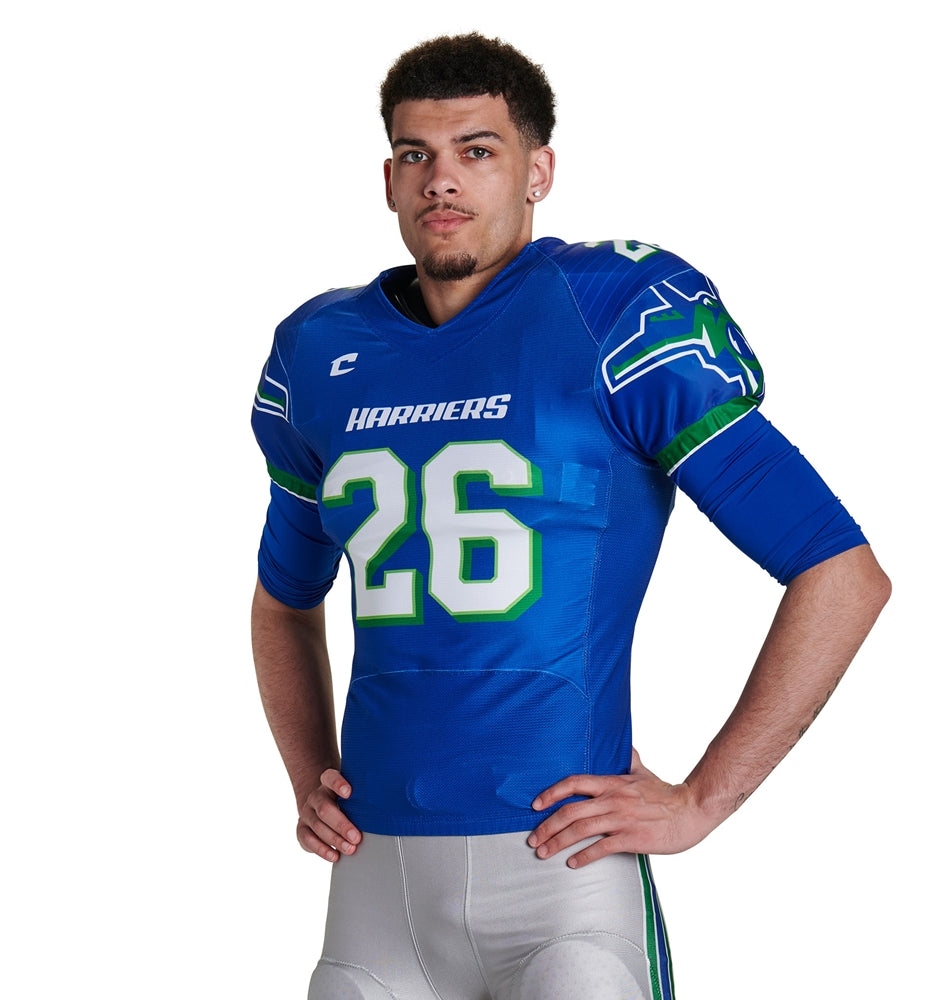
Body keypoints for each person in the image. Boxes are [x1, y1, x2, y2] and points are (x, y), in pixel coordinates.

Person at [250, 32, 890, 1000]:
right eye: (417, 154)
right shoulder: (319, 349)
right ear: (388, 179)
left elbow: (839, 571)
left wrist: (702, 799)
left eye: (477, 150)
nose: (441, 179)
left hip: (561, 877)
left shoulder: (611, 311)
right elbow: (282, 602)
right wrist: (310, 771)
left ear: (538, 171)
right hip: (374, 886)